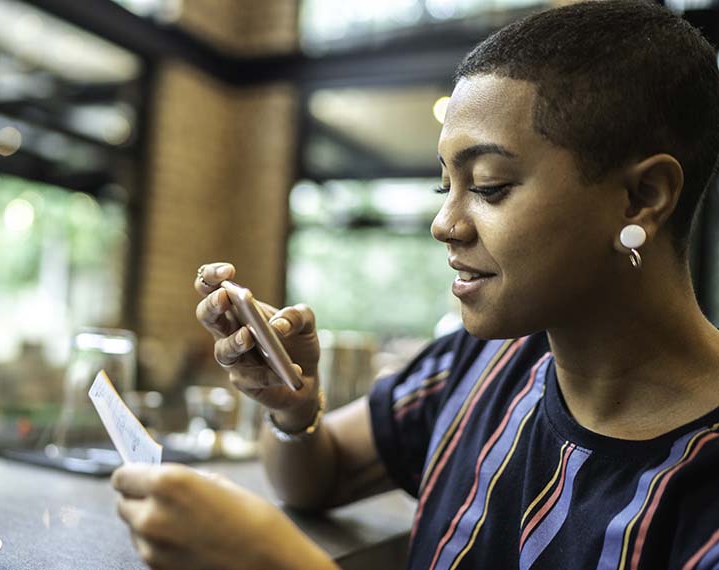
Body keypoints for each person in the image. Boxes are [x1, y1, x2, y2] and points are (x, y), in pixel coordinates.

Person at [111, 1, 719, 568]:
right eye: (443, 186)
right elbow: (322, 475)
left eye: (488, 186)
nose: (444, 224)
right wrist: (293, 409)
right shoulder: (481, 362)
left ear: (642, 199)